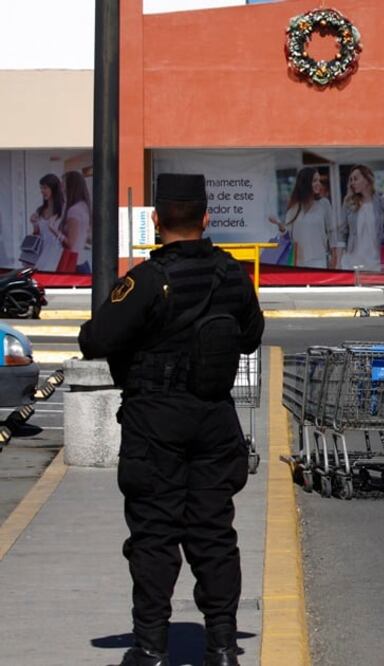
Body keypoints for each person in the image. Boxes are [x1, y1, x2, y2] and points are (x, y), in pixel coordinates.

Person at [79, 173, 265, 666]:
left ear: (157, 220)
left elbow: (95, 341)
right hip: (213, 420)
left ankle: (149, 648)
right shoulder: (232, 275)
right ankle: (223, 646)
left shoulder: (144, 280)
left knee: (155, 535)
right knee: (213, 534)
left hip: (155, 423)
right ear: (206, 218)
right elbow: (249, 337)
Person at [268, 166, 336, 269]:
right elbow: (287, 235)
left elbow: (331, 230)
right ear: (305, 183)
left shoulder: (324, 204)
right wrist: (280, 225)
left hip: (319, 259)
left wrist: (334, 255)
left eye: (319, 180)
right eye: (314, 181)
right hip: (298, 261)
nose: (319, 184)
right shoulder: (294, 208)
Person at [337, 164, 384, 271]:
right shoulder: (349, 203)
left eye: (356, 179)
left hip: (376, 261)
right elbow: (342, 233)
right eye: (351, 180)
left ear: (367, 179)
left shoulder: (383, 202)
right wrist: (338, 262)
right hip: (352, 260)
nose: (352, 183)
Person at [28, 173, 65, 271]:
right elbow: (37, 234)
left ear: (54, 189)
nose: (42, 191)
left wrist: (54, 229)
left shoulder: (64, 210)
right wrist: (34, 224)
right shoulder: (40, 210)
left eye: (45, 188)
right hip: (43, 254)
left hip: (58, 254)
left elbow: (69, 238)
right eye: (41, 188)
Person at [58, 170, 91, 273]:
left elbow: (71, 243)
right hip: (81, 262)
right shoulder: (83, 206)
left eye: (63, 184)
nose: (61, 188)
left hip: (73, 264)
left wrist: (55, 231)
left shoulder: (74, 210)